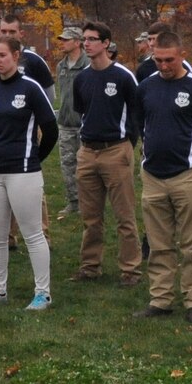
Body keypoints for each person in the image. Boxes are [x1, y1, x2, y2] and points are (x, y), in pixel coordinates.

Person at [134, 29, 192, 323]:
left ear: (182, 55)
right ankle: (161, 299)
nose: (164, 65)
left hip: (188, 174)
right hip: (153, 176)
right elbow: (139, 125)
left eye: (169, 60)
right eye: (158, 60)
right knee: (158, 244)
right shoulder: (145, 87)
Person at [0, 35, 56, 310]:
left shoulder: (31, 89)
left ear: (16, 56)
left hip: (24, 173)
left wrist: (33, 158)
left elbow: (51, 130)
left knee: (32, 233)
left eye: (2, 55)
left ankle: (43, 293)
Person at [70, 20, 143, 287]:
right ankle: (90, 267)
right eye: (84, 39)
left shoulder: (123, 77)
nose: (86, 43)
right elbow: (82, 112)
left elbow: (137, 114)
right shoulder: (82, 79)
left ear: (105, 44)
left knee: (124, 216)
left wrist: (126, 147)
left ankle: (131, 270)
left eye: (91, 39)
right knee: (91, 217)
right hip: (88, 152)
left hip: (116, 151)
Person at [52, 26, 89, 216]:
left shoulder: (88, 65)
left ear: (77, 42)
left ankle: (89, 203)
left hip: (84, 125)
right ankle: (73, 201)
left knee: (87, 168)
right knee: (67, 165)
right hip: (65, 124)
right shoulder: (61, 66)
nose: (62, 43)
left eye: (66, 40)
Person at [0, 15, 55, 88]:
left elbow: (48, 95)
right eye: (4, 31)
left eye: (12, 32)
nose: (7, 35)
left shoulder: (35, 61)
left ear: (21, 34)